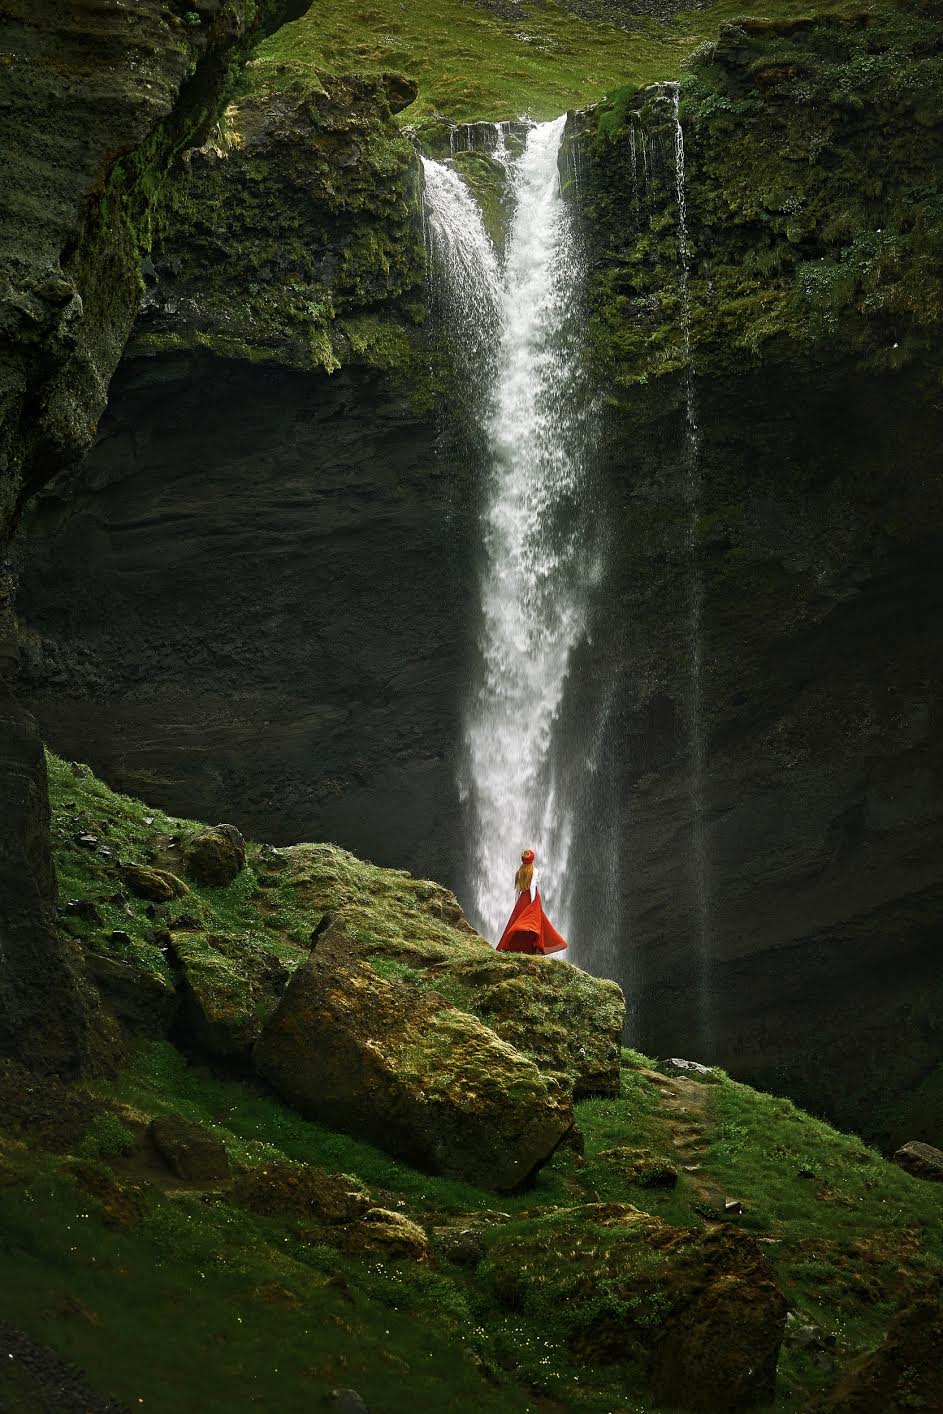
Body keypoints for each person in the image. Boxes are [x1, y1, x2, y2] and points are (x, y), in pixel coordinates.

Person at [496, 848, 567, 955]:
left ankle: (517, 946)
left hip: (522, 900)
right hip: (532, 899)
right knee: (535, 923)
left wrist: (516, 905)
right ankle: (534, 947)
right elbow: (533, 887)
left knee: (520, 922)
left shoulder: (519, 872)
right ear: (532, 859)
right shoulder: (535, 871)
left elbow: (517, 890)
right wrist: (533, 903)